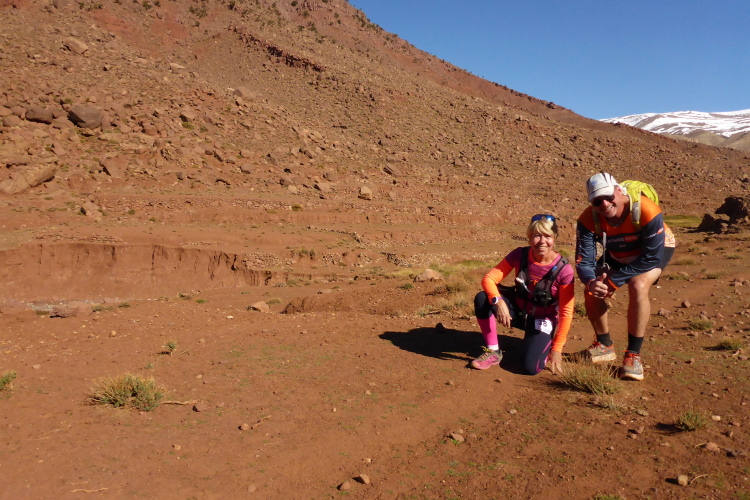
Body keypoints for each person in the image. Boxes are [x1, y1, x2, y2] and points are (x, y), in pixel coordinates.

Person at [575, 172, 676, 381]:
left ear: (619, 191)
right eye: (597, 201)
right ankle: (604, 345)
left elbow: (650, 257)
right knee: (593, 288)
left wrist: (614, 281)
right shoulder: (588, 219)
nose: (604, 203)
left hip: (654, 251)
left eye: (608, 196)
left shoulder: (647, 209)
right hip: (618, 252)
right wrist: (591, 281)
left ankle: (633, 356)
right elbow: (584, 261)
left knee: (638, 284)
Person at [472, 214, 575, 375]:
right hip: (518, 311)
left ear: (554, 238)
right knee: (483, 298)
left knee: (530, 368)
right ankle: (493, 351)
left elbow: (566, 312)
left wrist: (557, 348)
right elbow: (489, 279)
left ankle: (540, 344)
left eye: (547, 236)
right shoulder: (519, 255)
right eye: (537, 236)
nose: (542, 241)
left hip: (542, 319)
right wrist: (498, 301)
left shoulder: (564, 270)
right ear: (529, 237)